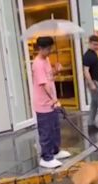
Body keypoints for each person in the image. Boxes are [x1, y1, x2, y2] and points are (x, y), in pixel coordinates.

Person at [32, 37, 71, 169]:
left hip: (51, 102)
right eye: (48, 49)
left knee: (55, 129)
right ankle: (46, 157)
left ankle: (55, 151)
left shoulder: (46, 60)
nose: (50, 51)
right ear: (40, 49)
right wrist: (54, 99)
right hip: (43, 104)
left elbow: (49, 78)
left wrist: (56, 70)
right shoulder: (37, 64)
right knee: (46, 131)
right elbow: (43, 85)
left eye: (51, 48)